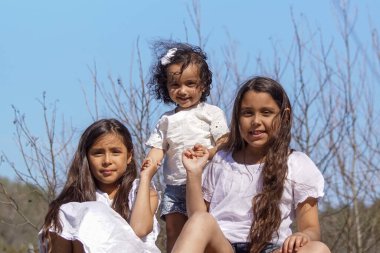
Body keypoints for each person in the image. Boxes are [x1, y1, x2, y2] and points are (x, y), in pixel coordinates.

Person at [172, 76, 331, 253]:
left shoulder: (297, 163)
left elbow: (311, 227)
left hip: (271, 249)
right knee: (202, 220)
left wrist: (305, 236)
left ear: (285, 116)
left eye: (266, 112)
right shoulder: (222, 160)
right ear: (238, 118)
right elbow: (196, 218)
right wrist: (194, 173)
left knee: (318, 249)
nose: (256, 121)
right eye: (247, 113)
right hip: (223, 247)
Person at [145, 40, 229, 252]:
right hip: (173, 186)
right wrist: (149, 165)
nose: (182, 91)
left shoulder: (211, 113)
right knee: (174, 229)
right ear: (166, 87)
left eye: (190, 84)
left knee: (201, 225)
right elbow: (158, 148)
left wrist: (209, 153)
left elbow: (224, 140)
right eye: (175, 85)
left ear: (202, 85)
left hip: (204, 183)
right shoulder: (166, 119)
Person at [39, 119, 160, 253]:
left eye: (115, 152)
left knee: (92, 210)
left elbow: (140, 229)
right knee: (65, 212)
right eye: (98, 153)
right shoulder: (75, 202)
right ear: (86, 157)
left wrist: (145, 178)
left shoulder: (141, 192)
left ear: (129, 156)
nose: (107, 161)